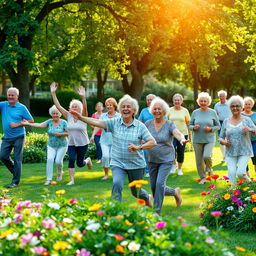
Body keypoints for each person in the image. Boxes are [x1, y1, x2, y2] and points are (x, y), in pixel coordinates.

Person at [70, 94, 157, 206]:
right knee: (116, 184)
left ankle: (146, 197)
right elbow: (96, 122)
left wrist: (138, 147)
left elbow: (152, 142)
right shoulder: (114, 122)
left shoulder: (140, 126)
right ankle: (115, 212)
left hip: (136, 164)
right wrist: (81, 117)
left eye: (128, 107)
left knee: (136, 192)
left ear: (134, 110)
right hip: (118, 162)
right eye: (123, 107)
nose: (125, 109)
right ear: (120, 110)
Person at [146, 97, 184, 215]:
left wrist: (182, 138)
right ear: (152, 110)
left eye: (159, 109)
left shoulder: (169, 124)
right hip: (152, 159)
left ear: (164, 111)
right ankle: (175, 192)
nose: (157, 111)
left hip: (166, 159)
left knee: (159, 184)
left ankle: (156, 212)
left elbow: (177, 133)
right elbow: (141, 136)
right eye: (155, 109)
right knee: (154, 187)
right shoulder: (148, 124)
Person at [50, 82, 92, 185]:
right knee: (72, 159)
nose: (74, 108)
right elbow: (58, 106)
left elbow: (85, 108)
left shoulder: (83, 117)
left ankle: (87, 161)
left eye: (76, 106)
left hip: (83, 143)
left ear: (80, 108)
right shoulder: (68, 116)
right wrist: (53, 94)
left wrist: (83, 97)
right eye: (72, 106)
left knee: (80, 163)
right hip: (71, 143)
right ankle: (71, 180)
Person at [22, 105, 68, 185]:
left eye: (57, 113)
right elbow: (39, 125)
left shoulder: (64, 123)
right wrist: (28, 123)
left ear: (60, 114)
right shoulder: (49, 122)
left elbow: (69, 133)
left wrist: (61, 134)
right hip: (51, 145)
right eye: (53, 113)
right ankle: (48, 179)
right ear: (51, 114)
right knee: (50, 159)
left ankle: (60, 172)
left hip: (62, 145)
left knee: (58, 161)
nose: (55, 115)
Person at [0, 87, 34, 188]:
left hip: (19, 136)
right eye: (9, 95)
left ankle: (15, 182)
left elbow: (31, 120)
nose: (10, 97)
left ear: (17, 96)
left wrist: (17, 124)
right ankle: (16, 173)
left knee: (17, 158)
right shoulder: (3, 105)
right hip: (7, 137)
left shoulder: (22, 107)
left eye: (12, 95)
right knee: (2, 156)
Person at [219, 95, 256, 184]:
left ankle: (250, 186)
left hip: (244, 151)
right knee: (231, 174)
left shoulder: (246, 120)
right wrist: (223, 141)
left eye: (237, 106)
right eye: (232, 106)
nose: (235, 108)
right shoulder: (226, 121)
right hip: (230, 151)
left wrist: (250, 129)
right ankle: (232, 195)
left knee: (240, 173)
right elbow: (220, 137)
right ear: (230, 108)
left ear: (241, 107)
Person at [189, 92, 220, 184]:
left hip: (209, 139)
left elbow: (218, 126)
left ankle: (209, 168)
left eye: (205, 101)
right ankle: (203, 178)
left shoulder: (212, 112)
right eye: (201, 101)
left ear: (208, 102)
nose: (203, 102)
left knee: (207, 156)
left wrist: (210, 129)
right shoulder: (195, 112)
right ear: (199, 102)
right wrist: (193, 127)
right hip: (197, 139)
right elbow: (190, 125)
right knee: (199, 161)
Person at [90, 98, 121, 180]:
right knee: (105, 156)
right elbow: (98, 126)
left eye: (110, 105)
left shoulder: (119, 116)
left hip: (115, 141)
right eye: (107, 105)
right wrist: (93, 135)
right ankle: (106, 174)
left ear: (114, 106)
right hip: (104, 140)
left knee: (112, 157)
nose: (108, 106)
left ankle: (115, 173)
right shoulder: (103, 116)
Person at [167, 93, 191, 175]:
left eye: (178, 100)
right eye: (175, 100)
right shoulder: (169, 110)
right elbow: (166, 123)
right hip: (171, 134)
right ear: (173, 101)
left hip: (183, 134)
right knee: (171, 150)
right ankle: (174, 165)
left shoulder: (185, 111)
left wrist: (190, 136)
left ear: (181, 101)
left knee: (181, 151)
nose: (177, 101)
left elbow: (188, 123)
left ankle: (180, 169)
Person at [138, 94, 156, 177]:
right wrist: (141, 136)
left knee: (156, 153)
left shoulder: (158, 109)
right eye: (148, 100)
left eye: (151, 99)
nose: (149, 101)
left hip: (157, 134)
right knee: (145, 153)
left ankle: (156, 169)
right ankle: (148, 170)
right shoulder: (144, 111)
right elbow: (139, 123)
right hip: (146, 135)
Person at [214, 90, 231, 162]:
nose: (222, 97)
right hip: (220, 123)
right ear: (219, 97)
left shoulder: (230, 104)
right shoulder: (217, 105)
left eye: (223, 96)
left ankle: (230, 155)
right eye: (220, 96)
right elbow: (215, 115)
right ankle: (224, 156)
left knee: (229, 139)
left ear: (226, 96)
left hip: (229, 122)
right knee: (221, 140)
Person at [241, 97, 256, 175]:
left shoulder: (255, 115)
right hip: (243, 141)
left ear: (252, 105)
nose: (247, 106)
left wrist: (250, 129)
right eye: (246, 104)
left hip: (254, 140)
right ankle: (247, 176)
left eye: (249, 104)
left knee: (255, 156)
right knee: (244, 159)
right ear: (243, 105)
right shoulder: (239, 115)